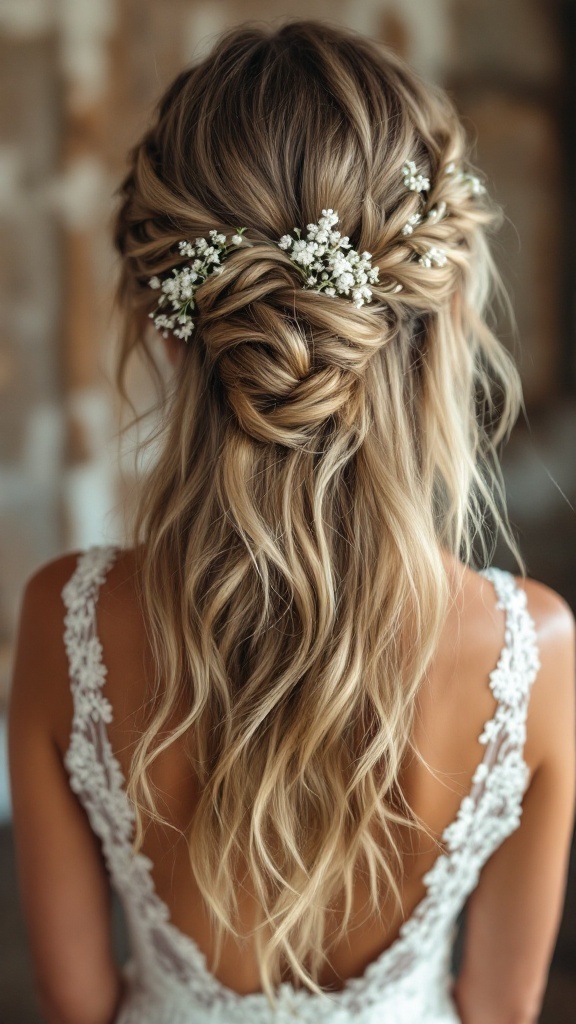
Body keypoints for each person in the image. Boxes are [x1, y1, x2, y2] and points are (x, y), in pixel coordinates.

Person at [8, 19, 576, 1024]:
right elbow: (500, 1007)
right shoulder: (532, 650)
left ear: (165, 325)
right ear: (443, 319)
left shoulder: (69, 619)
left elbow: (75, 1001)